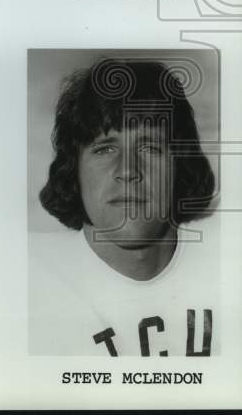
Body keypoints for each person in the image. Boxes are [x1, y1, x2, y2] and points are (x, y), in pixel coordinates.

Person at [30, 58, 218, 356]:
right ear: (73, 170)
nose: (128, 170)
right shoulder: (23, 279)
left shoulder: (229, 261)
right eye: (105, 148)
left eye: (149, 147)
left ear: (180, 165)